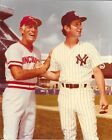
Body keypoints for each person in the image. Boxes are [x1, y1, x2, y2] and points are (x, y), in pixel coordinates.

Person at [43, 11, 108, 140]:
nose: (80, 27)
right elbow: (56, 76)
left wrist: (102, 96)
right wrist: (42, 72)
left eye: (80, 24)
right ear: (66, 28)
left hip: (84, 93)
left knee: (90, 135)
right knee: (68, 134)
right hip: (65, 94)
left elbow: (97, 72)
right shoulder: (57, 51)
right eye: (76, 24)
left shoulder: (88, 47)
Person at [2, 16, 50, 140]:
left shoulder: (37, 52)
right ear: (21, 30)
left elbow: (40, 71)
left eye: (35, 27)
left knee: (27, 135)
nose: (33, 30)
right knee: (11, 136)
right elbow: (17, 74)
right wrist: (40, 69)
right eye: (29, 26)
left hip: (30, 94)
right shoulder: (14, 48)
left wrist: (49, 60)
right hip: (15, 94)